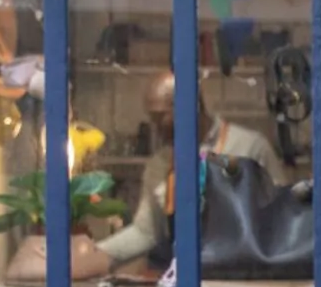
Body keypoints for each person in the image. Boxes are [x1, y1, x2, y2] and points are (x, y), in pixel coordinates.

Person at [98, 70, 288, 268]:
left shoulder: (250, 147)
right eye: (151, 117)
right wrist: (97, 252)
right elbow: (146, 232)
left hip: (242, 276)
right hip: (182, 278)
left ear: (191, 106)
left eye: (160, 116)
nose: (155, 126)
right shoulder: (159, 164)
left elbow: (281, 216)